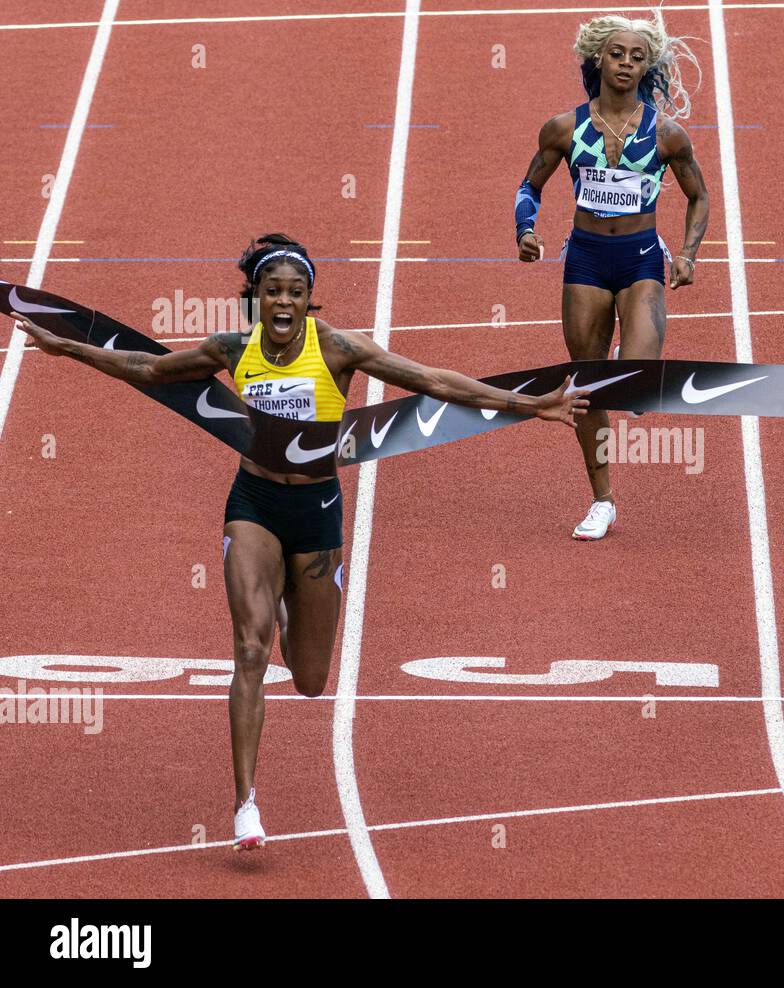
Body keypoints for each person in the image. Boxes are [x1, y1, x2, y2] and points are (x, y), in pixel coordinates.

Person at [13, 233, 588, 847]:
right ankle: (245, 805)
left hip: (315, 514)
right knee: (250, 649)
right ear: (254, 298)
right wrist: (68, 347)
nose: (283, 302)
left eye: (295, 292)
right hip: (254, 505)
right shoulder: (234, 348)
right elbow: (150, 368)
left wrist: (528, 404)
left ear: (310, 299)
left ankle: (288, 602)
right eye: (271, 291)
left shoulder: (338, 349)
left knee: (311, 679)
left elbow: (435, 382)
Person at [515, 9, 709, 540]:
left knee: (637, 380)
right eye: (617, 53)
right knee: (587, 386)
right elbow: (529, 187)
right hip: (585, 260)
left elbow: (699, 197)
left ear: (649, 67)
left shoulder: (667, 135)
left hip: (642, 255)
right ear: (598, 57)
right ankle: (602, 500)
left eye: (637, 57)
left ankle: (631, 366)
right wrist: (525, 231)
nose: (626, 63)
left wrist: (688, 253)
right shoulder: (564, 127)